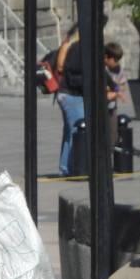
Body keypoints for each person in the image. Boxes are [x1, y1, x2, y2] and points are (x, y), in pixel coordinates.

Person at [55, 24, 85, 176]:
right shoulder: (74, 47)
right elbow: (65, 69)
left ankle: (65, 167)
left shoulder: (68, 45)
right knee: (77, 130)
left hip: (66, 93)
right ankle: (73, 167)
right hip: (71, 94)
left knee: (70, 131)